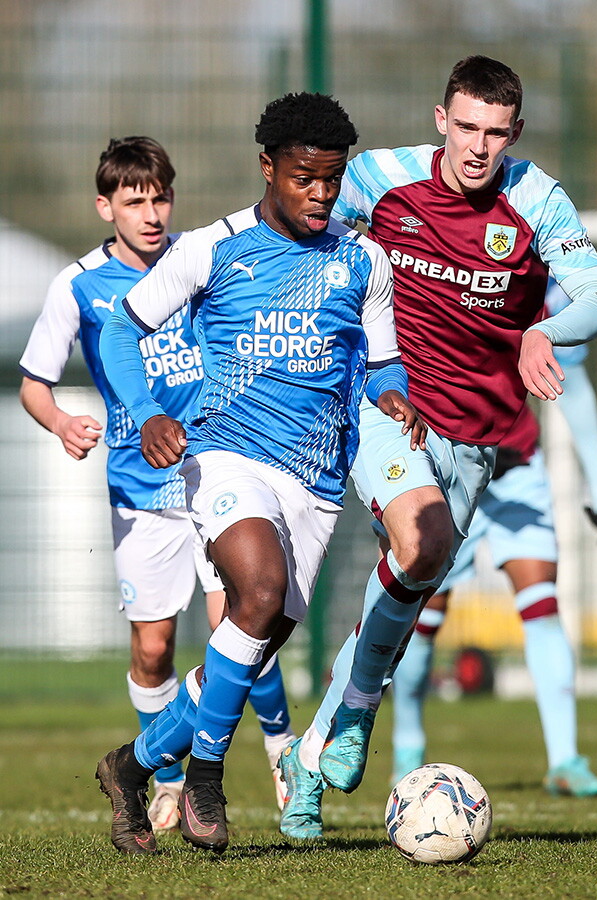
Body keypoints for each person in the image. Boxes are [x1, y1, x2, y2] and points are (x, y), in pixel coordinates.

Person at [278, 55, 597, 840]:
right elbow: (293, 222)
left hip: (476, 438)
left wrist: (543, 328)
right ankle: (354, 714)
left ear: (514, 135)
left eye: (494, 133)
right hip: (383, 407)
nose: (477, 146)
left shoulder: (535, 198)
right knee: (419, 541)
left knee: (404, 585)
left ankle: (313, 751)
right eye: (465, 127)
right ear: (441, 121)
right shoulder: (377, 179)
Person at [94, 91, 424, 856]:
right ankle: (206, 776)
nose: (320, 193)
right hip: (224, 457)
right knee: (260, 590)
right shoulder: (212, 248)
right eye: (304, 176)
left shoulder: (361, 259)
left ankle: (130, 765)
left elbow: (379, 362)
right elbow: (122, 328)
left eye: (332, 179)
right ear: (267, 166)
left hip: (313, 482)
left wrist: (394, 395)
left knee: (248, 647)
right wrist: (146, 412)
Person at [19, 136, 295, 831]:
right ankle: (163, 776)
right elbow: (33, 384)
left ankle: (282, 751)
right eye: (133, 200)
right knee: (153, 649)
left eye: (160, 197)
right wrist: (60, 424)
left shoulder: (197, 260)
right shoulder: (78, 284)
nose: (150, 213)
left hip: (211, 470)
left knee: (240, 618)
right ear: (104, 205)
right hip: (138, 489)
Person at [392, 280, 597, 796]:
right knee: (422, 617)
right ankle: (406, 745)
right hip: (445, 469)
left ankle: (565, 758)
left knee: (541, 604)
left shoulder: (541, 287)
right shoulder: (424, 263)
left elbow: (571, 381)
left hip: (516, 468)